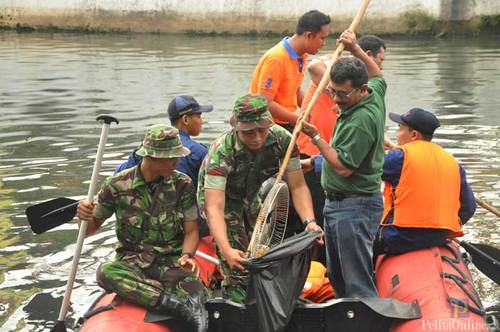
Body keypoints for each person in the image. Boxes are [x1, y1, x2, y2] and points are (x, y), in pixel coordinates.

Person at [77, 125, 208, 331]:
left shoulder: (183, 184)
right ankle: (175, 305)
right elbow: (90, 229)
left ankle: (164, 298)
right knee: (105, 272)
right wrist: (82, 217)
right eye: (172, 157)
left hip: (170, 263)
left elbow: (192, 230)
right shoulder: (117, 185)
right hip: (132, 265)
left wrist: (187, 255)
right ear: (154, 157)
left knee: (199, 295)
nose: (177, 162)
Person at [197, 94, 323, 303]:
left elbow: (298, 186)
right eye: (248, 132)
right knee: (237, 264)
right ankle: (237, 302)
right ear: (237, 127)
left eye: (261, 130)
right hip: (224, 200)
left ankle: (262, 298)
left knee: (260, 253)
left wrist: (309, 222)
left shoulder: (283, 140)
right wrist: (227, 250)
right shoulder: (222, 153)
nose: (256, 137)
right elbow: (214, 208)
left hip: (252, 194)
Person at [301, 29, 386, 298]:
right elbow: (378, 75)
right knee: (337, 276)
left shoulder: (360, 121)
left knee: (356, 281)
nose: (336, 100)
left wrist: (315, 136)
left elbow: (343, 167)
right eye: (332, 92)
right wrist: (356, 49)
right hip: (338, 204)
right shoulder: (374, 91)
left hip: (354, 206)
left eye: (342, 95)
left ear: (361, 90)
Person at [377, 108, 476, 254]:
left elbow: (362, 169)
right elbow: (469, 207)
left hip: (400, 237)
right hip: (440, 237)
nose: (397, 134)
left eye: (400, 129)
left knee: (355, 242)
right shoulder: (453, 162)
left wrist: (380, 151)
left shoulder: (399, 157)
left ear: (414, 135)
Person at [249, 10, 331, 131]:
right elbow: (265, 102)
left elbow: (295, 92)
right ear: (308, 36)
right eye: (322, 38)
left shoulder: (301, 55)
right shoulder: (276, 58)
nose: (324, 43)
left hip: (286, 121)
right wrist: (297, 119)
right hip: (267, 126)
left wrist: (314, 111)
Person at [115, 95, 213, 188]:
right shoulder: (199, 152)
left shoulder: (146, 148)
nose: (201, 121)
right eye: (199, 116)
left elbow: (119, 175)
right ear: (185, 119)